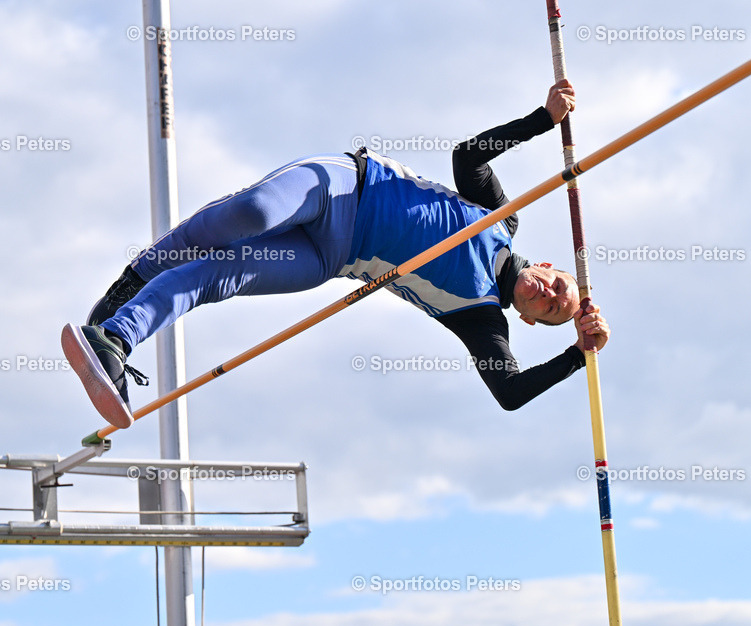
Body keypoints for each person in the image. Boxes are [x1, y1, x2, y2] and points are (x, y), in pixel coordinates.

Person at [62, 80, 609, 428]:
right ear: (550, 267)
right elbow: (468, 157)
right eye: (557, 286)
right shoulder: (503, 221)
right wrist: (542, 120)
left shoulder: (484, 322)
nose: (549, 295)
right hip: (344, 185)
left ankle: (115, 339)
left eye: (554, 310)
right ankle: (130, 284)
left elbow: (509, 393)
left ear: (534, 321)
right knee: (248, 215)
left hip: (333, 257)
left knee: (217, 277)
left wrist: (576, 356)